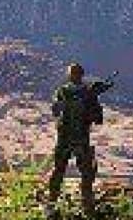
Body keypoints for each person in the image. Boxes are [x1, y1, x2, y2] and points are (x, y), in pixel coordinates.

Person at [46, 63, 111, 210]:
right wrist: (92, 97)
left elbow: (55, 111)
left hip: (64, 138)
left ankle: (51, 204)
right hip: (81, 139)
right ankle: (87, 206)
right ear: (82, 75)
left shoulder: (62, 91)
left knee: (58, 171)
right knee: (87, 173)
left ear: (69, 75)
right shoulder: (88, 93)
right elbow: (98, 118)